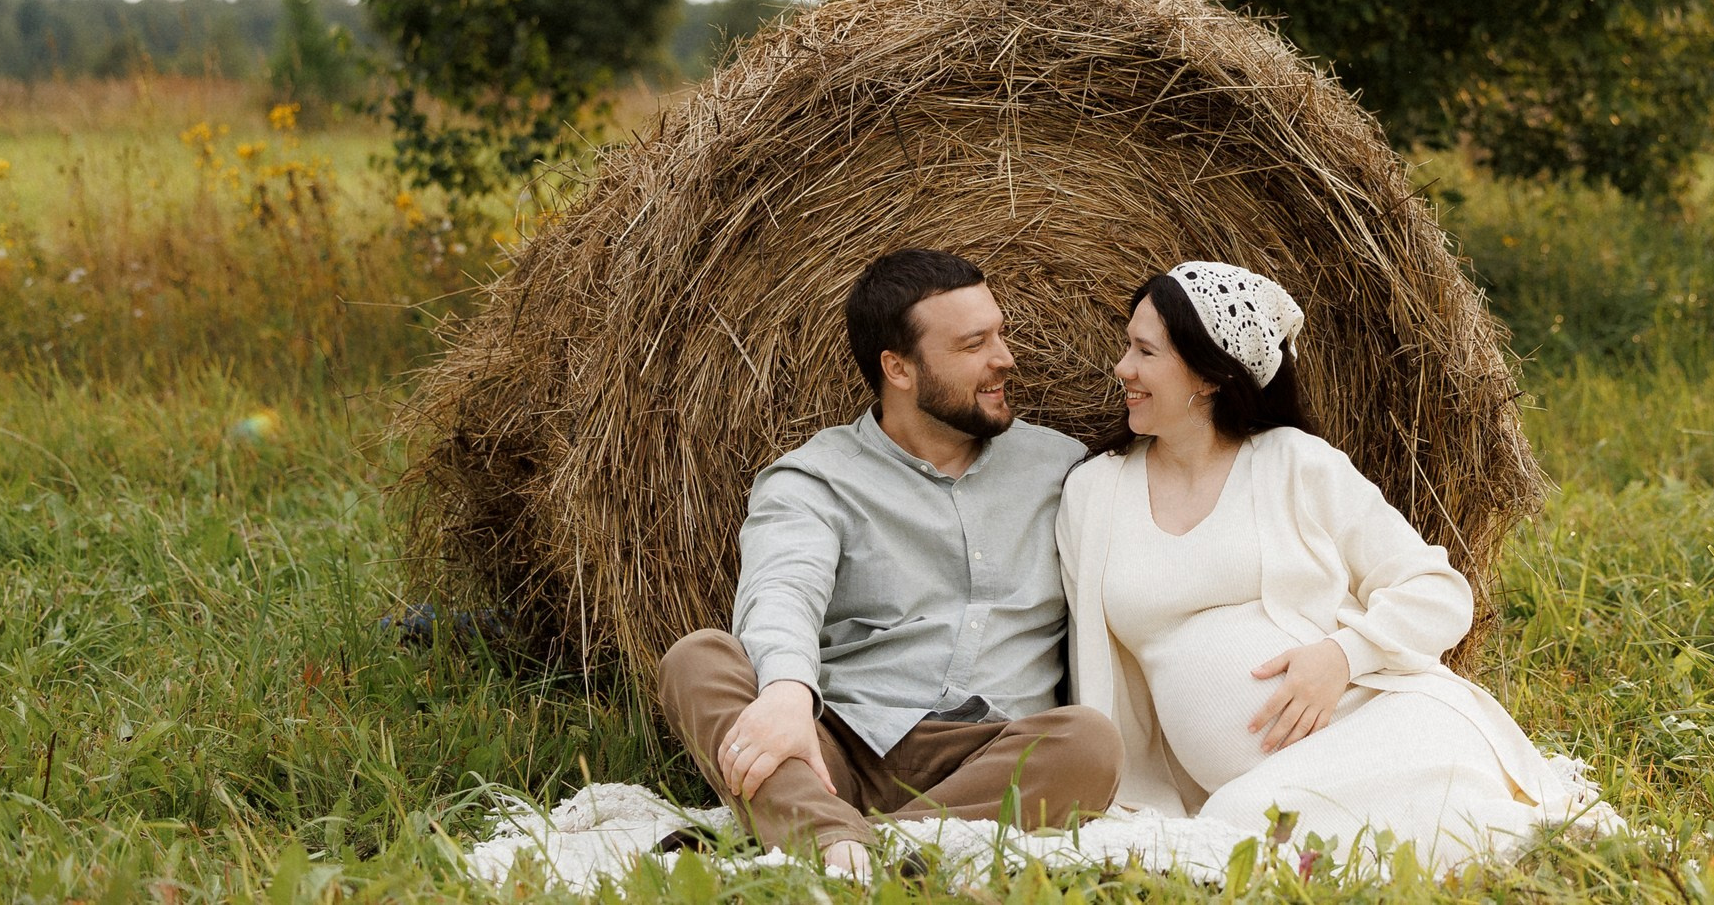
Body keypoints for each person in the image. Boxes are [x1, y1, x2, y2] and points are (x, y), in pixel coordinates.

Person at [1057, 261, 1620, 869]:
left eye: (1145, 351)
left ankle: (1520, 834)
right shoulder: (1094, 494)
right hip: (1243, 785)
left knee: (1244, 827)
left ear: (1211, 372)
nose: (1122, 368)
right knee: (1237, 823)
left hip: (1379, 723)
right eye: (1127, 346)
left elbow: (1438, 591)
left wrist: (1340, 657)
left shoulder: (1296, 464)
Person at [658, 248, 1123, 875]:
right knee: (698, 660)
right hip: (837, 744)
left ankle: (831, 840)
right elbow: (782, 590)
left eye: (1000, 334)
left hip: (990, 752)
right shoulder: (816, 479)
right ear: (897, 368)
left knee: (1089, 744)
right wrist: (790, 693)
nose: (1004, 359)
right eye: (973, 344)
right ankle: (864, 839)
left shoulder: (1064, 468)